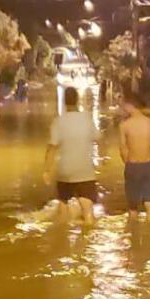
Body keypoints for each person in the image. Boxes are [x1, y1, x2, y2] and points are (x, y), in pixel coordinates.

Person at [45, 87, 99, 225]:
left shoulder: (58, 121)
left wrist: (47, 170)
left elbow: (52, 148)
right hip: (85, 170)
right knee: (88, 213)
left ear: (64, 102)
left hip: (65, 171)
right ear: (77, 100)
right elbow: (98, 139)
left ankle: (62, 238)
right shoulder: (87, 119)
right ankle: (88, 235)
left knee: (63, 205)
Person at [119, 90, 150, 223]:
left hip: (133, 166)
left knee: (133, 208)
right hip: (149, 166)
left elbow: (123, 150)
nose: (123, 109)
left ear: (130, 106)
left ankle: (133, 238)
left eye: (124, 106)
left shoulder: (125, 125)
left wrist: (129, 164)